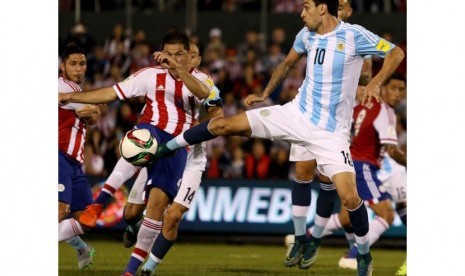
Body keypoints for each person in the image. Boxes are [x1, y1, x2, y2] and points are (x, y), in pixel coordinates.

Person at [153, 1, 404, 275]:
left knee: (351, 198)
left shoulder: (354, 35)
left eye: (306, 6)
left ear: (322, 8)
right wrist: (265, 95)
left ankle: (364, 255)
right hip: (296, 114)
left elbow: (396, 53)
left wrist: (376, 82)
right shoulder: (306, 35)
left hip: (332, 134)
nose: (301, 13)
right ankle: (166, 146)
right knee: (224, 125)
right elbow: (286, 65)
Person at [59, 30, 213, 276]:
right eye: (169, 54)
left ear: (188, 56)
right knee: (138, 139)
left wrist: (178, 69)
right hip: (151, 132)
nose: (173, 59)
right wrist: (69, 96)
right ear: (161, 53)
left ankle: (131, 271)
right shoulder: (150, 75)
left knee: (153, 209)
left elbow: (204, 95)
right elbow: (111, 92)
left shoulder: (204, 79)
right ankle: (99, 204)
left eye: (179, 55)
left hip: (175, 146)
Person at [58, 43, 103, 270]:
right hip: (58, 156)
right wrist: (94, 109)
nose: (78, 68)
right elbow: (95, 109)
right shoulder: (61, 86)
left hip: (74, 164)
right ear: (62, 66)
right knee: (60, 211)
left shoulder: (77, 92)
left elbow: (94, 115)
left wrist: (94, 110)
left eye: (82, 63)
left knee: (87, 219)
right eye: (73, 64)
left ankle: (82, 248)